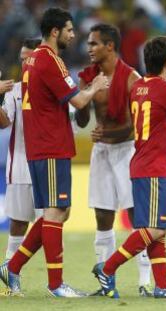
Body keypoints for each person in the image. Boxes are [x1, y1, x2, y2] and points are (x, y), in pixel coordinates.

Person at [0, 7, 108, 297]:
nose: (74, 35)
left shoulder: (31, 60)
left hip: (41, 146)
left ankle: (13, 266)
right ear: (55, 31)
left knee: (59, 211)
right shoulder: (51, 60)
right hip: (50, 146)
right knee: (55, 211)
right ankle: (55, 283)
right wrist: (96, 85)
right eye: (70, 30)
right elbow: (79, 102)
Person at [92, 36, 166, 299]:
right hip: (155, 167)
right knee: (157, 228)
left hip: (138, 164)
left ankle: (161, 286)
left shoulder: (137, 88)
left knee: (153, 230)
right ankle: (108, 267)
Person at [75, 23, 153, 297]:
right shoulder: (90, 76)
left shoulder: (131, 78)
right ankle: (106, 283)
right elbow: (82, 119)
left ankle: (145, 282)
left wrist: (106, 131)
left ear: (110, 46)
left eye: (94, 43)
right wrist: (84, 97)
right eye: (88, 44)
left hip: (127, 151)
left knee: (136, 216)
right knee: (102, 215)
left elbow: (136, 125)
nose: (89, 49)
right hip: (102, 152)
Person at [0, 38, 41, 263]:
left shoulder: (55, 88)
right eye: (22, 59)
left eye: (30, 59)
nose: (24, 64)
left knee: (51, 223)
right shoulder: (14, 90)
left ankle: (55, 278)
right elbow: (4, 123)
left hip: (48, 166)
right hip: (20, 167)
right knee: (18, 223)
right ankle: (9, 271)